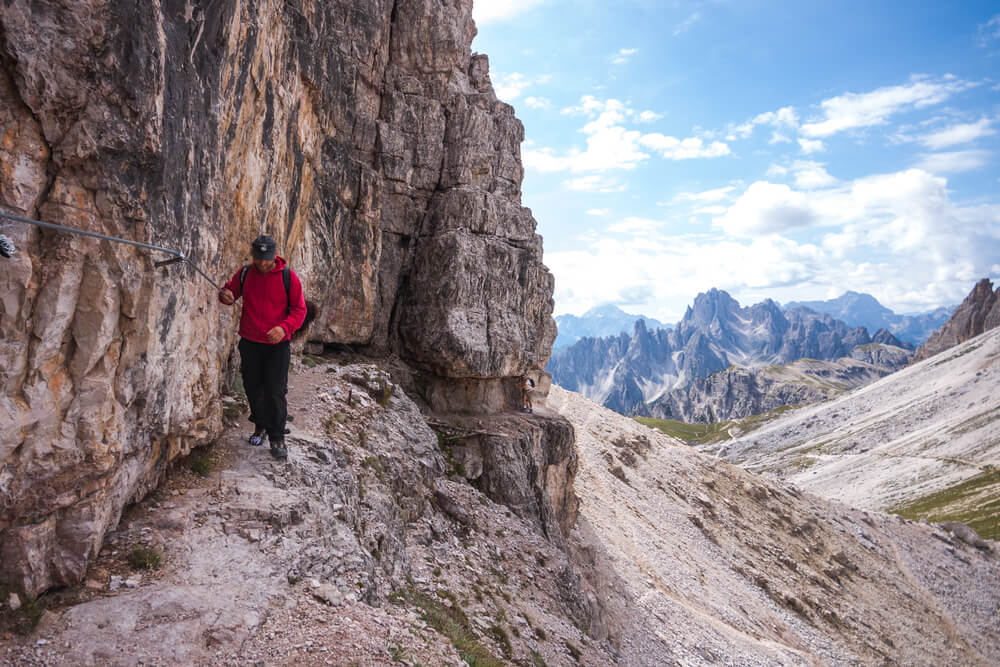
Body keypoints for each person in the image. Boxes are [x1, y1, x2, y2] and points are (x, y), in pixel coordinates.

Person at [219, 235, 306, 460]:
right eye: (258, 259)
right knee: (253, 387)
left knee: (276, 390)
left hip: (277, 346)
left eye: (266, 259)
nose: (262, 263)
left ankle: (277, 436)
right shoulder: (246, 273)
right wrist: (226, 295)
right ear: (254, 254)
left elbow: (299, 310)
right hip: (250, 342)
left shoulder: (289, 278)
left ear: (274, 255)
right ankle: (260, 426)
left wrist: (284, 328)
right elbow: (230, 292)